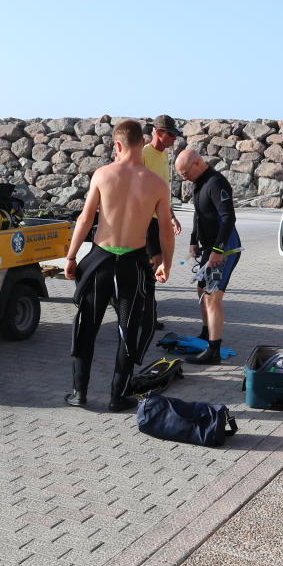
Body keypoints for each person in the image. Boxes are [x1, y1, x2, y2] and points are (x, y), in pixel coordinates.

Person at [64, 119, 173, 411]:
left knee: (87, 326)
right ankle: (117, 396)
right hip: (134, 265)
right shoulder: (157, 184)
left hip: (100, 261)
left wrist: (72, 256)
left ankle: (79, 393)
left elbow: (86, 219)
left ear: (118, 145)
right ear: (141, 144)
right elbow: (164, 230)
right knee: (129, 329)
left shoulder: (102, 174)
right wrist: (166, 265)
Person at [175, 149, 240, 364]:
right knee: (202, 290)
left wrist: (218, 251)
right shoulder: (198, 183)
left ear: (196, 163)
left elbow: (229, 218)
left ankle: (214, 350)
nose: (183, 178)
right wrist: (194, 240)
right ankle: (206, 334)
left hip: (224, 247)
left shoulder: (216, 183)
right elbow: (198, 213)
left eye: (184, 173)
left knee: (213, 297)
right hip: (208, 246)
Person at [143, 115, 183, 275]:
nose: (175, 139)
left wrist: (171, 216)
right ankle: (144, 298)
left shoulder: (165, 155)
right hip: (146, 220)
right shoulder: (144, 154)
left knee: (156, 264)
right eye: (171, 135)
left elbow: (163, 191)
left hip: (161, 218)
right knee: (156, 262)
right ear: (159, 132)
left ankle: (147, 298)